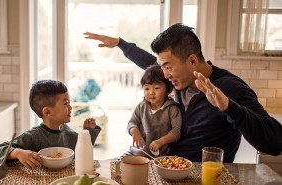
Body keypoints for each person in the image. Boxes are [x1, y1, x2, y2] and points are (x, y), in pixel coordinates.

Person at [84, 24, 282, 163]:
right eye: (163, 67)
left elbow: (275, 142)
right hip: (158, 162)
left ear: (193, 61)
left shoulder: (229, 88)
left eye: (168, 67)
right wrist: (121, 43)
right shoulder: (181, 78)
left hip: (192, 176)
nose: (165, 75)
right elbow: (149, 63)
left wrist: (229, 107)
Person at [0, 80, 101, 169]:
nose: (70, 108)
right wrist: (18, 153)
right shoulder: (33, 137)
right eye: (65, 103)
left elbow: (84, 151)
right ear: (47, 112)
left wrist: (88, 132)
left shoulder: (69, 133)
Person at [126, 64, 181, 157]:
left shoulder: (172, 109)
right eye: (147, 88)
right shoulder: (141, 106)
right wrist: (134, 131)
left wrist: (161, 141)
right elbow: (132, 122)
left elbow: (177, 131)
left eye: (157, 88)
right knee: (119, 163)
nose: (151, 92)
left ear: (169, 89)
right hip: (139, 152)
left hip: (162, 156)